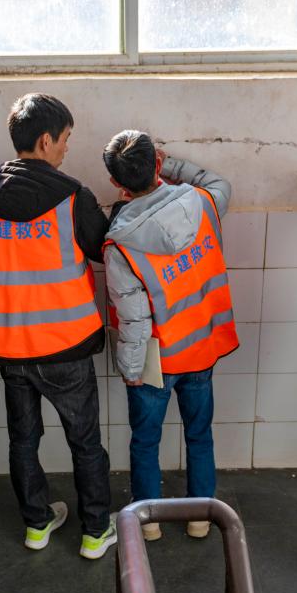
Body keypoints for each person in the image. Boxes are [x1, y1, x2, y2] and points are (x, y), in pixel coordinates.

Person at [0, 93, 115, 559]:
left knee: (23, 440)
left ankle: (37, 525)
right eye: (65, 139)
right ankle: (95, 531)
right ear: (46, 140)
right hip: (64, 346)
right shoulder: (73, 197)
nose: (67, 148)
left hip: (7, 348)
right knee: (85, 442)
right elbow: (105, 251)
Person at [101, 131, 238, 541]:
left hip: (156, 361)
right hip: (201, 348)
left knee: (146, 441)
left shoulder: (120, 243)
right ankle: (200, 518)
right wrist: (175, 164)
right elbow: (219, 183)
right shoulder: (202, 202)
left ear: (116, 183)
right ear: (158, 164)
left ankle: (149, 523)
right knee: (199, 435)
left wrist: (130, 370)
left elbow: (133, 318)